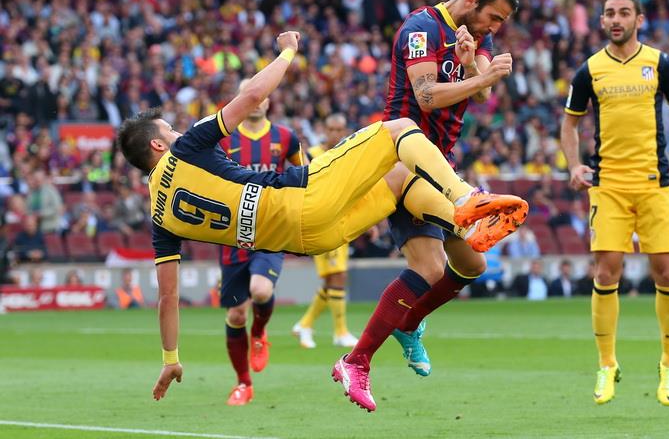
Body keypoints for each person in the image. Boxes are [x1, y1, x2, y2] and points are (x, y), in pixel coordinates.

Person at [116, 31, 527, 404]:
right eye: (169, 130)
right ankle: (467, 200)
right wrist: (287, 52)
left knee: (400, 178)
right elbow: (252, 95)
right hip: (305, 196)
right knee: (398, 128)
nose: (177, 131)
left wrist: (170, 358)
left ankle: (361, 358)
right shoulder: (186, 148)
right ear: (158, 145)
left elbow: (167, 298)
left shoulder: (159, 220)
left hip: (310, 240)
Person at [335, 0, 523, 409]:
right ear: (471, 0)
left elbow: (479, 94)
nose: (495, 28)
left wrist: (473, 65)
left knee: (470, 263)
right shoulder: (421, 28)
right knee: (439, 261)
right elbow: (425, 96)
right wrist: (482, 77)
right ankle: (356, 360)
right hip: (401, 160)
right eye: (494, 17)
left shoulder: (477, 35)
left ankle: (408, 323)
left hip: (439, 162)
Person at [560, 0, 669, 406]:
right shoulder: (589, 70)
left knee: (667, 273)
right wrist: (574, 164)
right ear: (601, 21)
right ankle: (606, 365)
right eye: (609, 13)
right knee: (606, 273)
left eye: (623, 13)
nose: (615, 19)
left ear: (639, 20)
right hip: (609, 186)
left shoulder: (660, 64)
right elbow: (569, 124)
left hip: (654, 183)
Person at [218, 78, 304, 406]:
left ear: (268, 101)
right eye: (248, 95)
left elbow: (304, 175)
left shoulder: (286, 137)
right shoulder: (224, 139)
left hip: (270, 230)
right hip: (232, 234)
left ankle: (259, 332)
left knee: (261, 291)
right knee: (236, 315)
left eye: (261, 95)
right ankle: (244, 384)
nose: (255, 101)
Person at [293, 113, 359, 349]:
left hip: (341, 219)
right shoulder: (311, 155)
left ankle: (305, 324)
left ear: (345, 131)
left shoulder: (348, 153)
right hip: (320, 221)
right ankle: (340, 332)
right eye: (331, 129)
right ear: (324, 130)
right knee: (338, 276)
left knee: (333, 278)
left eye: (339, 130)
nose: (335, 134)